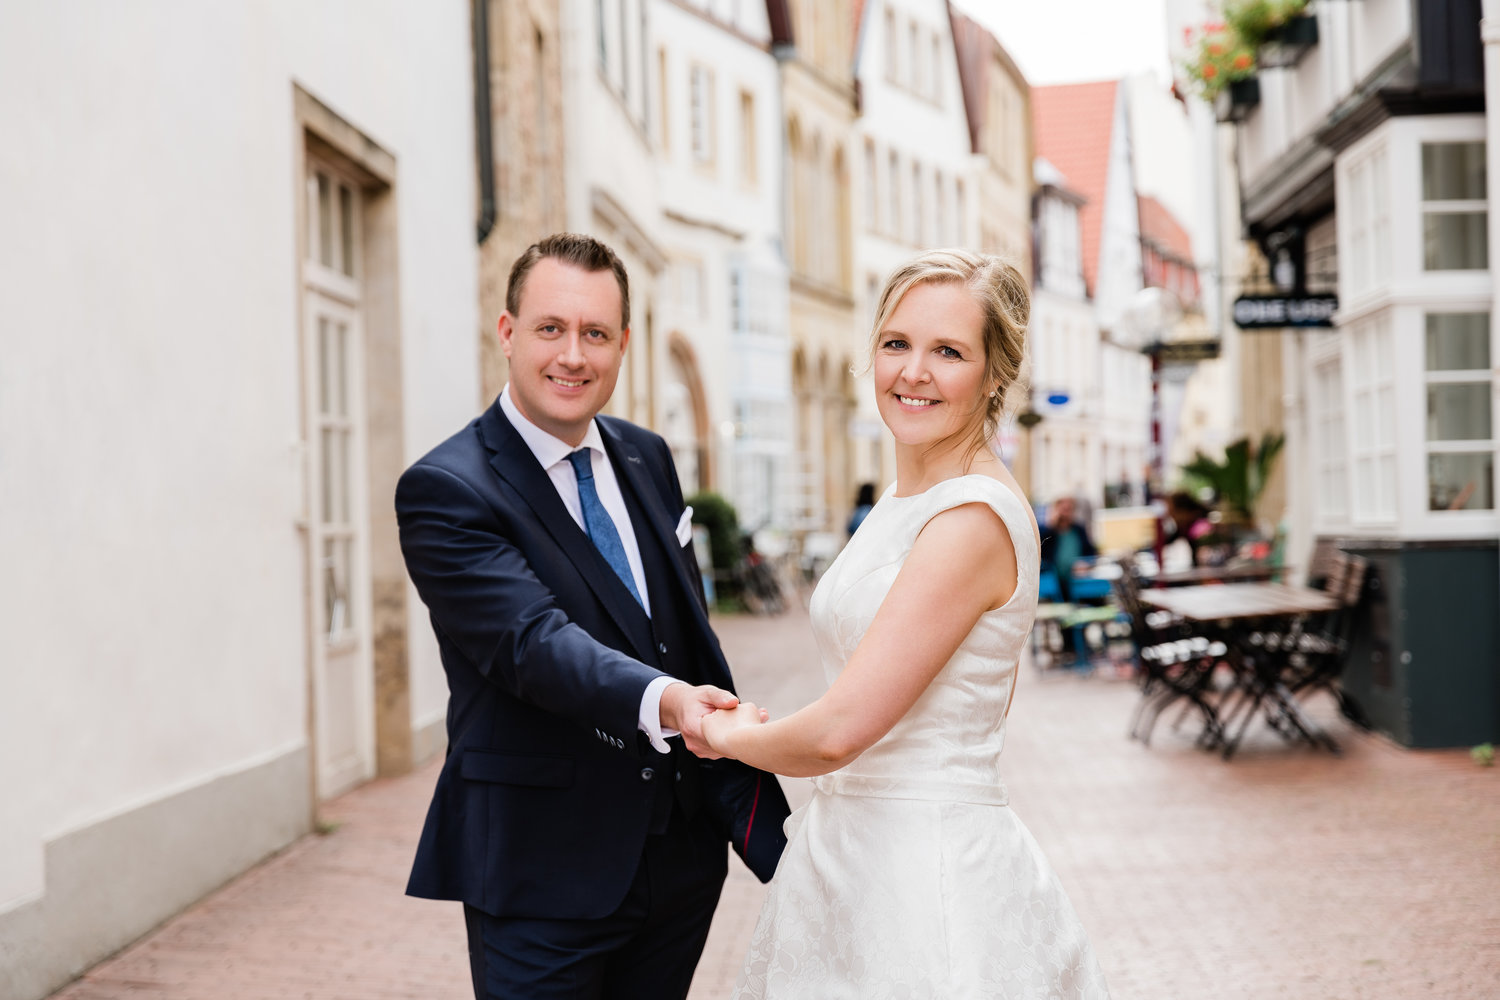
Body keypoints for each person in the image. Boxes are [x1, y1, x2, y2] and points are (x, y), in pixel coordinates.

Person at [701, 249, 1111, 998]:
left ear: (994, 375)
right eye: (897, 343)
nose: (913, 371)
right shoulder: (906, 497)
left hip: (927, 878)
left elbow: (838, 733)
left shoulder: (970, 519)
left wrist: (728, 736)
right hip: (850, 856)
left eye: (947, 351)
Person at [395, 233, 791, 1000]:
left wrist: (772, 840)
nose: (572, 355)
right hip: (541, 868)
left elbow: (691, 641)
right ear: (508, 333)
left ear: (624, 345)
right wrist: (668, 701)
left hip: (678, 865)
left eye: (595, 334)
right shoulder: (447, 488)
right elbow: (533, 644)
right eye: (551, 328)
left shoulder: (647, 456)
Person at [1040, 493, 1099, 603]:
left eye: (1069, 508)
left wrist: (1084, 563)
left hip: (1077, 579)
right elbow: (1040, 551)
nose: (1066, 512)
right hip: (1054, 580)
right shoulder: (1048, 531)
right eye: (1063, 508)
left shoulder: (1078, 529)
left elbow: (1091, 551)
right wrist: (1052, 523)